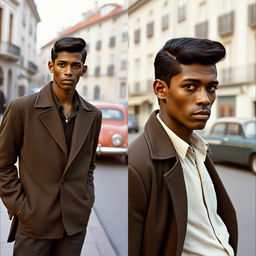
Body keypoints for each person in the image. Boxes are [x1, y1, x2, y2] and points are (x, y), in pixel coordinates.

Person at [128, 38, 238, 256]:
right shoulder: (137, 164)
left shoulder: (198, 149)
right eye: (190, 87)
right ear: (161, 89)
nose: (205, 99)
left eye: (211, 88)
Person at [0, 37, 102, 256]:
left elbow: (89, 166)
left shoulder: (93, 115)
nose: (68, 71)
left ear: (83, 70)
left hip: (74, 225)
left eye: (75, 65)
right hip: (34, 224)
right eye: (62, 64)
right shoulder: (22, 109)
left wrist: (86, 201)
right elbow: (3, 163)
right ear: (51, 66)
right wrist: (19, 207)